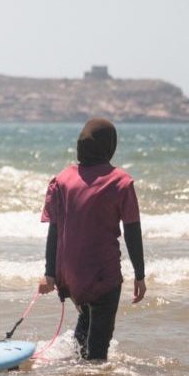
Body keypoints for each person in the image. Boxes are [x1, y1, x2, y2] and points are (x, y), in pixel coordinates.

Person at [38, 118, 146, 360]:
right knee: (98, 352)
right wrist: (140, 274)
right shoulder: (121, 182)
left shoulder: (62, 179)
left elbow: (54, 229)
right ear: (111, 145)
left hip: (73, 277)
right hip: (102, 276)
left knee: (85, 329)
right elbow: (132, 231)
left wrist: (50, 272)